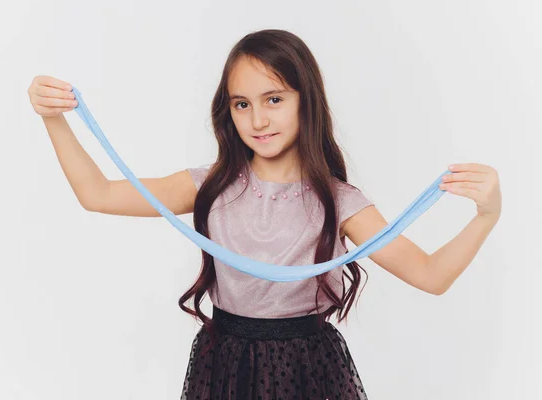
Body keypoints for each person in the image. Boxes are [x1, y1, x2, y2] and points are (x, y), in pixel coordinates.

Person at [27, 29, 502, 400]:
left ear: (305, 100)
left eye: (274, 99)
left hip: (307, 366)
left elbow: (430, 274)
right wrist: (54, 118)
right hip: (224, 360)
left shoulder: (339, 201)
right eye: (242, 104)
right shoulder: (210, 183)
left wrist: (485, 216)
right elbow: (99, 194)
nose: (257, 120)